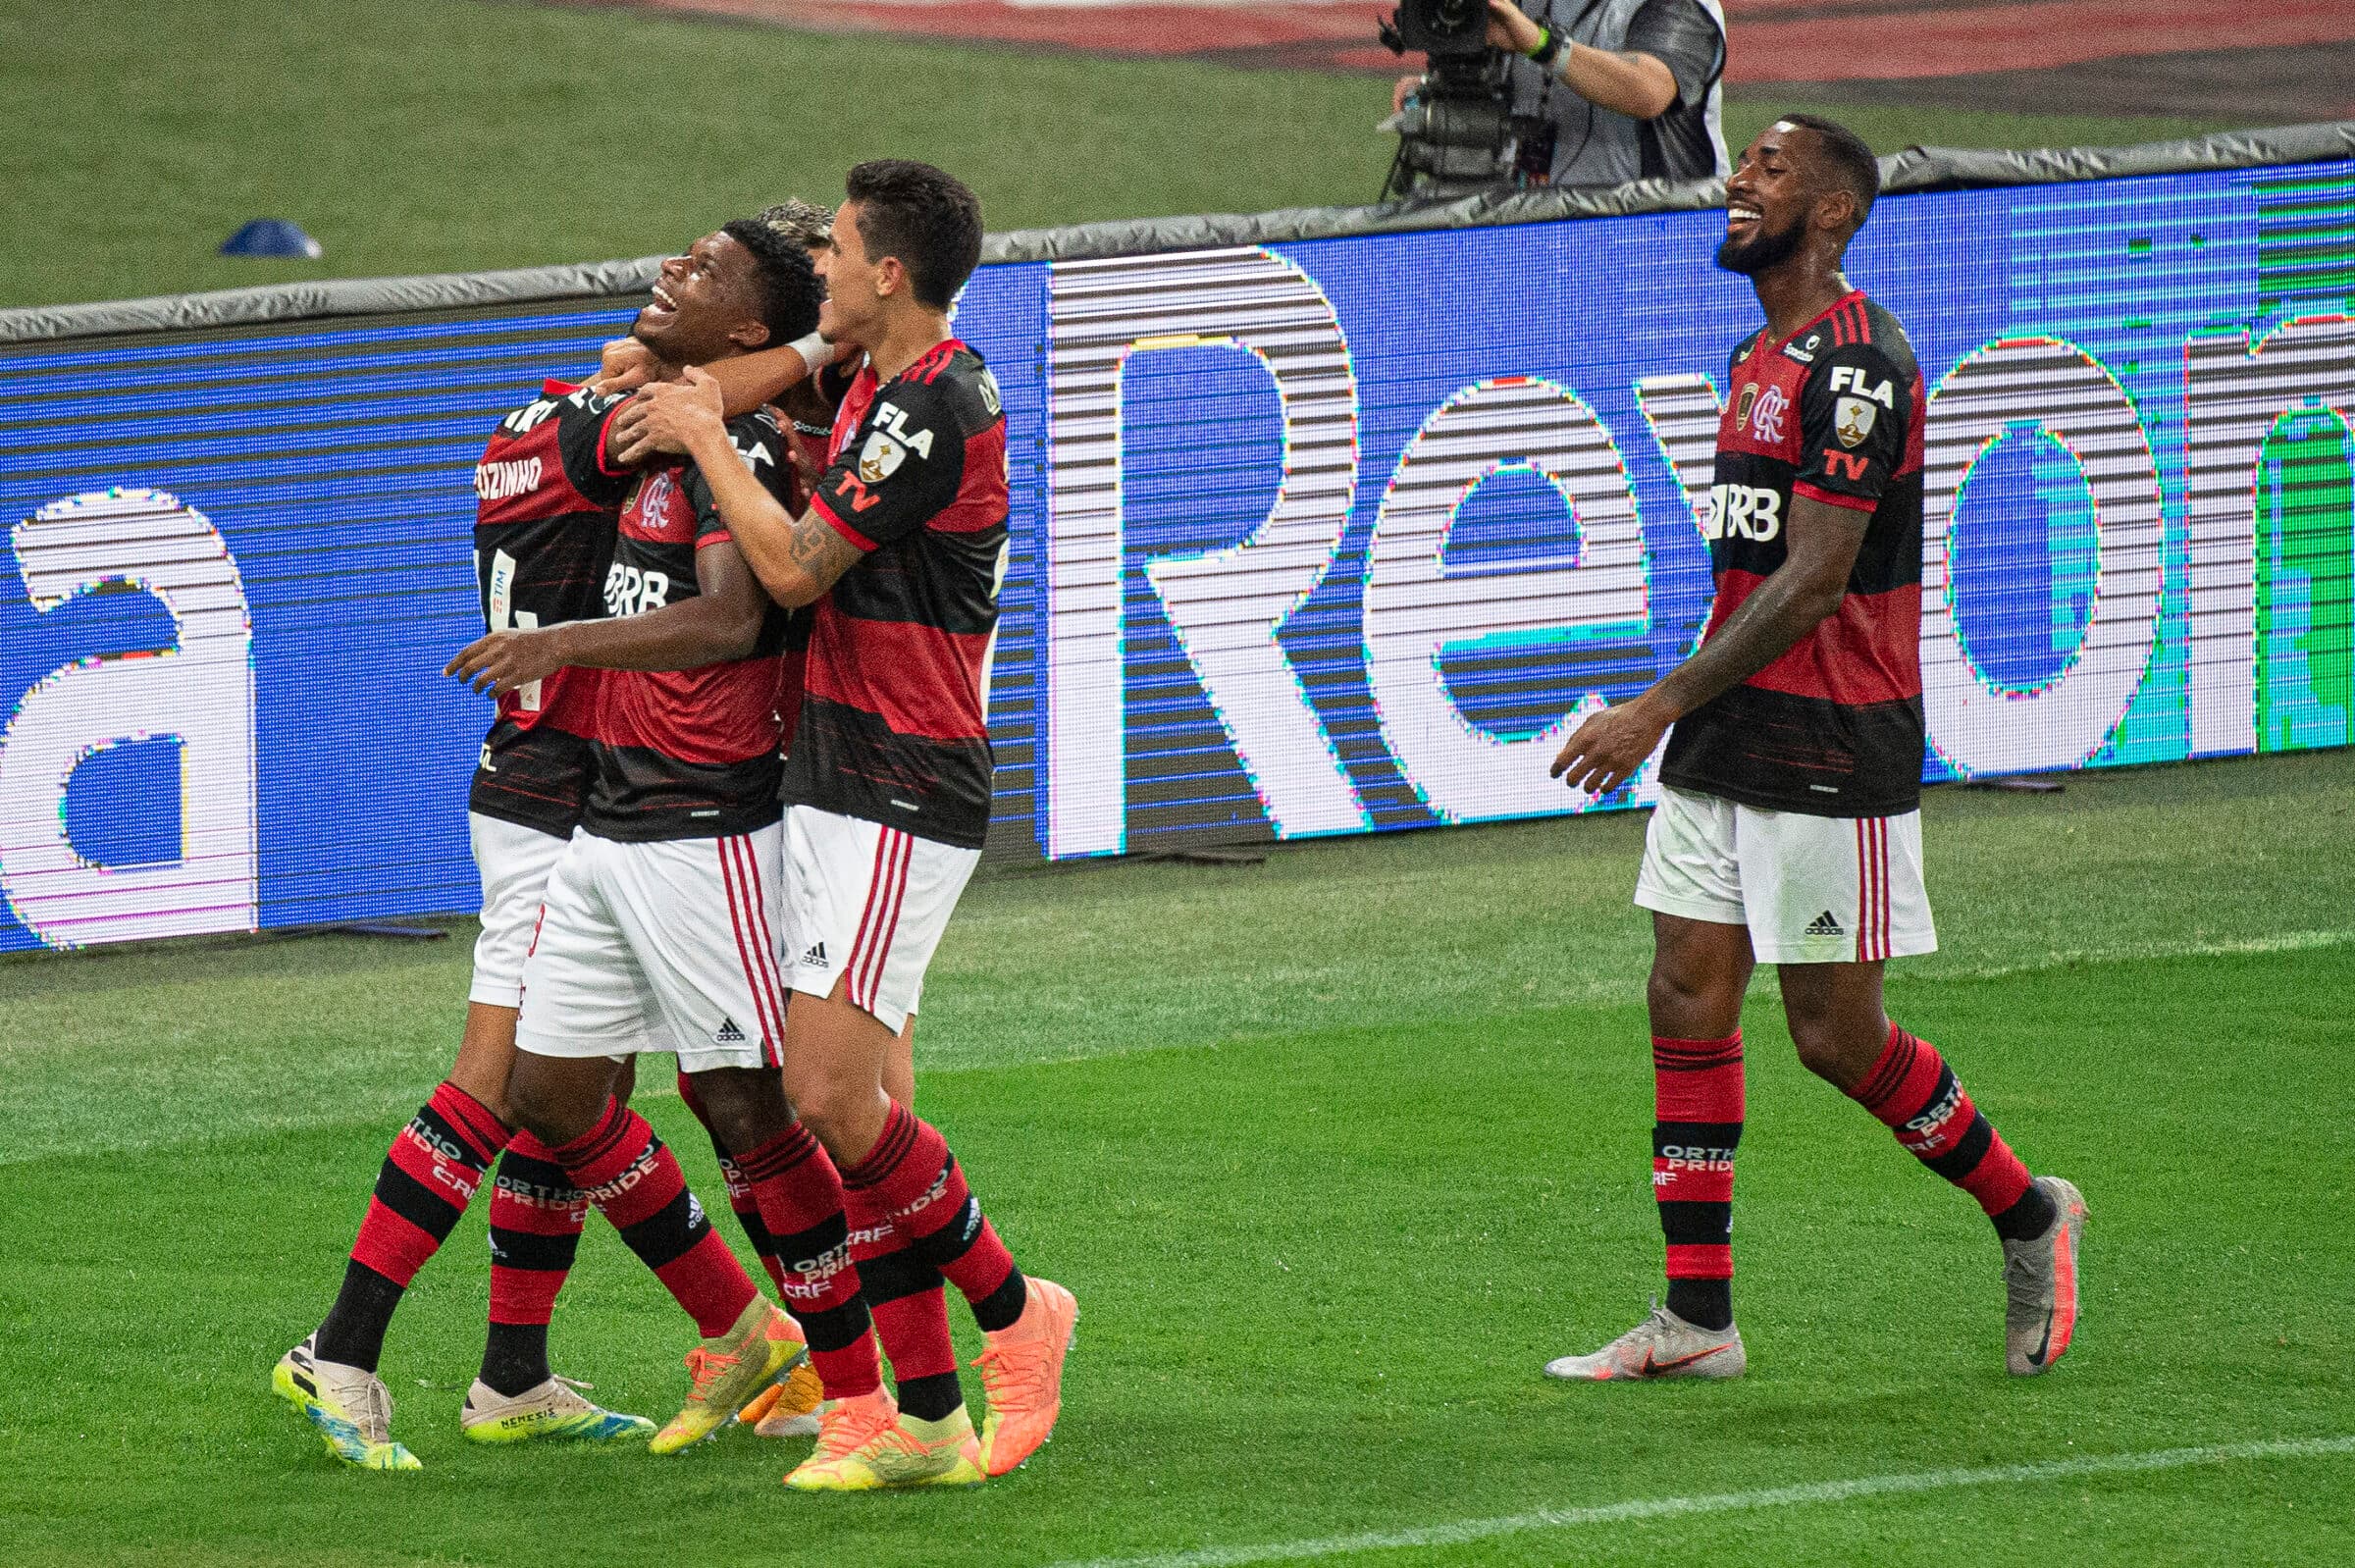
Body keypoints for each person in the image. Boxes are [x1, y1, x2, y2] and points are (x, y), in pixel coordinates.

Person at [1542, 115, 2085, 1382]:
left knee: (1836, 1035)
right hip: (1727, 730)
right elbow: (1752, 574)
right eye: (1746, 162)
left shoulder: (1860, 365)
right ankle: (1698, 1320)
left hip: (1834, 734)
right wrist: (1685, 712)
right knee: (1684, 989)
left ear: (1833, 211)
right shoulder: (1756, 355)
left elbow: (1816, 578)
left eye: (1771, 169)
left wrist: (1651, 708)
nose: (1740, 178)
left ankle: (2028, 1211)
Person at [268, 229, 804, 1469]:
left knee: (580, 1091)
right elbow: (702, 430)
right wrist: (810, 345)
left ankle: (515, 1373)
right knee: (498, 1079)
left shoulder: (533, 422)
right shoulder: (607, 429)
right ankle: (338, 1351)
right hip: (551, 789)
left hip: (574, 785)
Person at [615, 159, 1075, 1491]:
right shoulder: (881, 374)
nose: (817, 263)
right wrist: (725, 378)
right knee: (865, 1111)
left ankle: (1017, 1313)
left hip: (901, 778)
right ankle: (922, 1418)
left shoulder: (934, 405)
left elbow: (794, 567)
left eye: (837, 248)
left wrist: (704, 433)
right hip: (838, 773)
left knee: (824, 1095)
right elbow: (763, 373)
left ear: (888, 271)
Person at [445, 219, 907, 1465]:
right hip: (610, 814)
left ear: (746, 329)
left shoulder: (730, 443)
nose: (669, 274)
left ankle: (853, 1383)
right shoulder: (657, 426)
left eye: (702, 273)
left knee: (753, 1099)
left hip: (709, 822)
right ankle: (746, 1336)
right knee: (552, 1089)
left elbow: (726, 618)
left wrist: (557, 643)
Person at [1392, 0, 1727, 186]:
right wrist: (1442, 87)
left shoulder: (1677, 6)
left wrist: (1542, 45)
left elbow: (1649, 90)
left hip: (1649, 236)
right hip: (1533, 224)